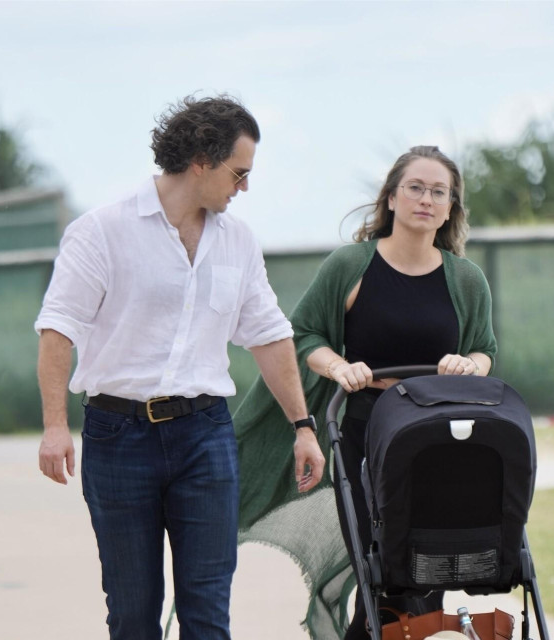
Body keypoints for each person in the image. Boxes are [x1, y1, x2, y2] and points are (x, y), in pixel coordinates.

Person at [35, 94, 325, 640]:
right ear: (201, 159)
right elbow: (58, 330)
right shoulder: (101, 232)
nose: (244, 187)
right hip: (118, 437)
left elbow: (268, 335)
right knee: (133, 612)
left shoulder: (237, 241)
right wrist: (55, 425)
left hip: (205, 436)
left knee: (208, 611)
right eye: (238, 173)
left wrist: (302, 426)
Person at [234, 146, 496, 639]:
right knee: (383, 567)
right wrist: (338, 366)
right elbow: (306, 334)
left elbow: (484, 349)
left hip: (436, 433)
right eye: (415, 188)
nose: (426, 199)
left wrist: (469, 364)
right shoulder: (350, 265)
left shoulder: (466, 279)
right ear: (392, 198)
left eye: (439, 192)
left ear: (450, 207)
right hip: (364, 428)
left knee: (426, 573)